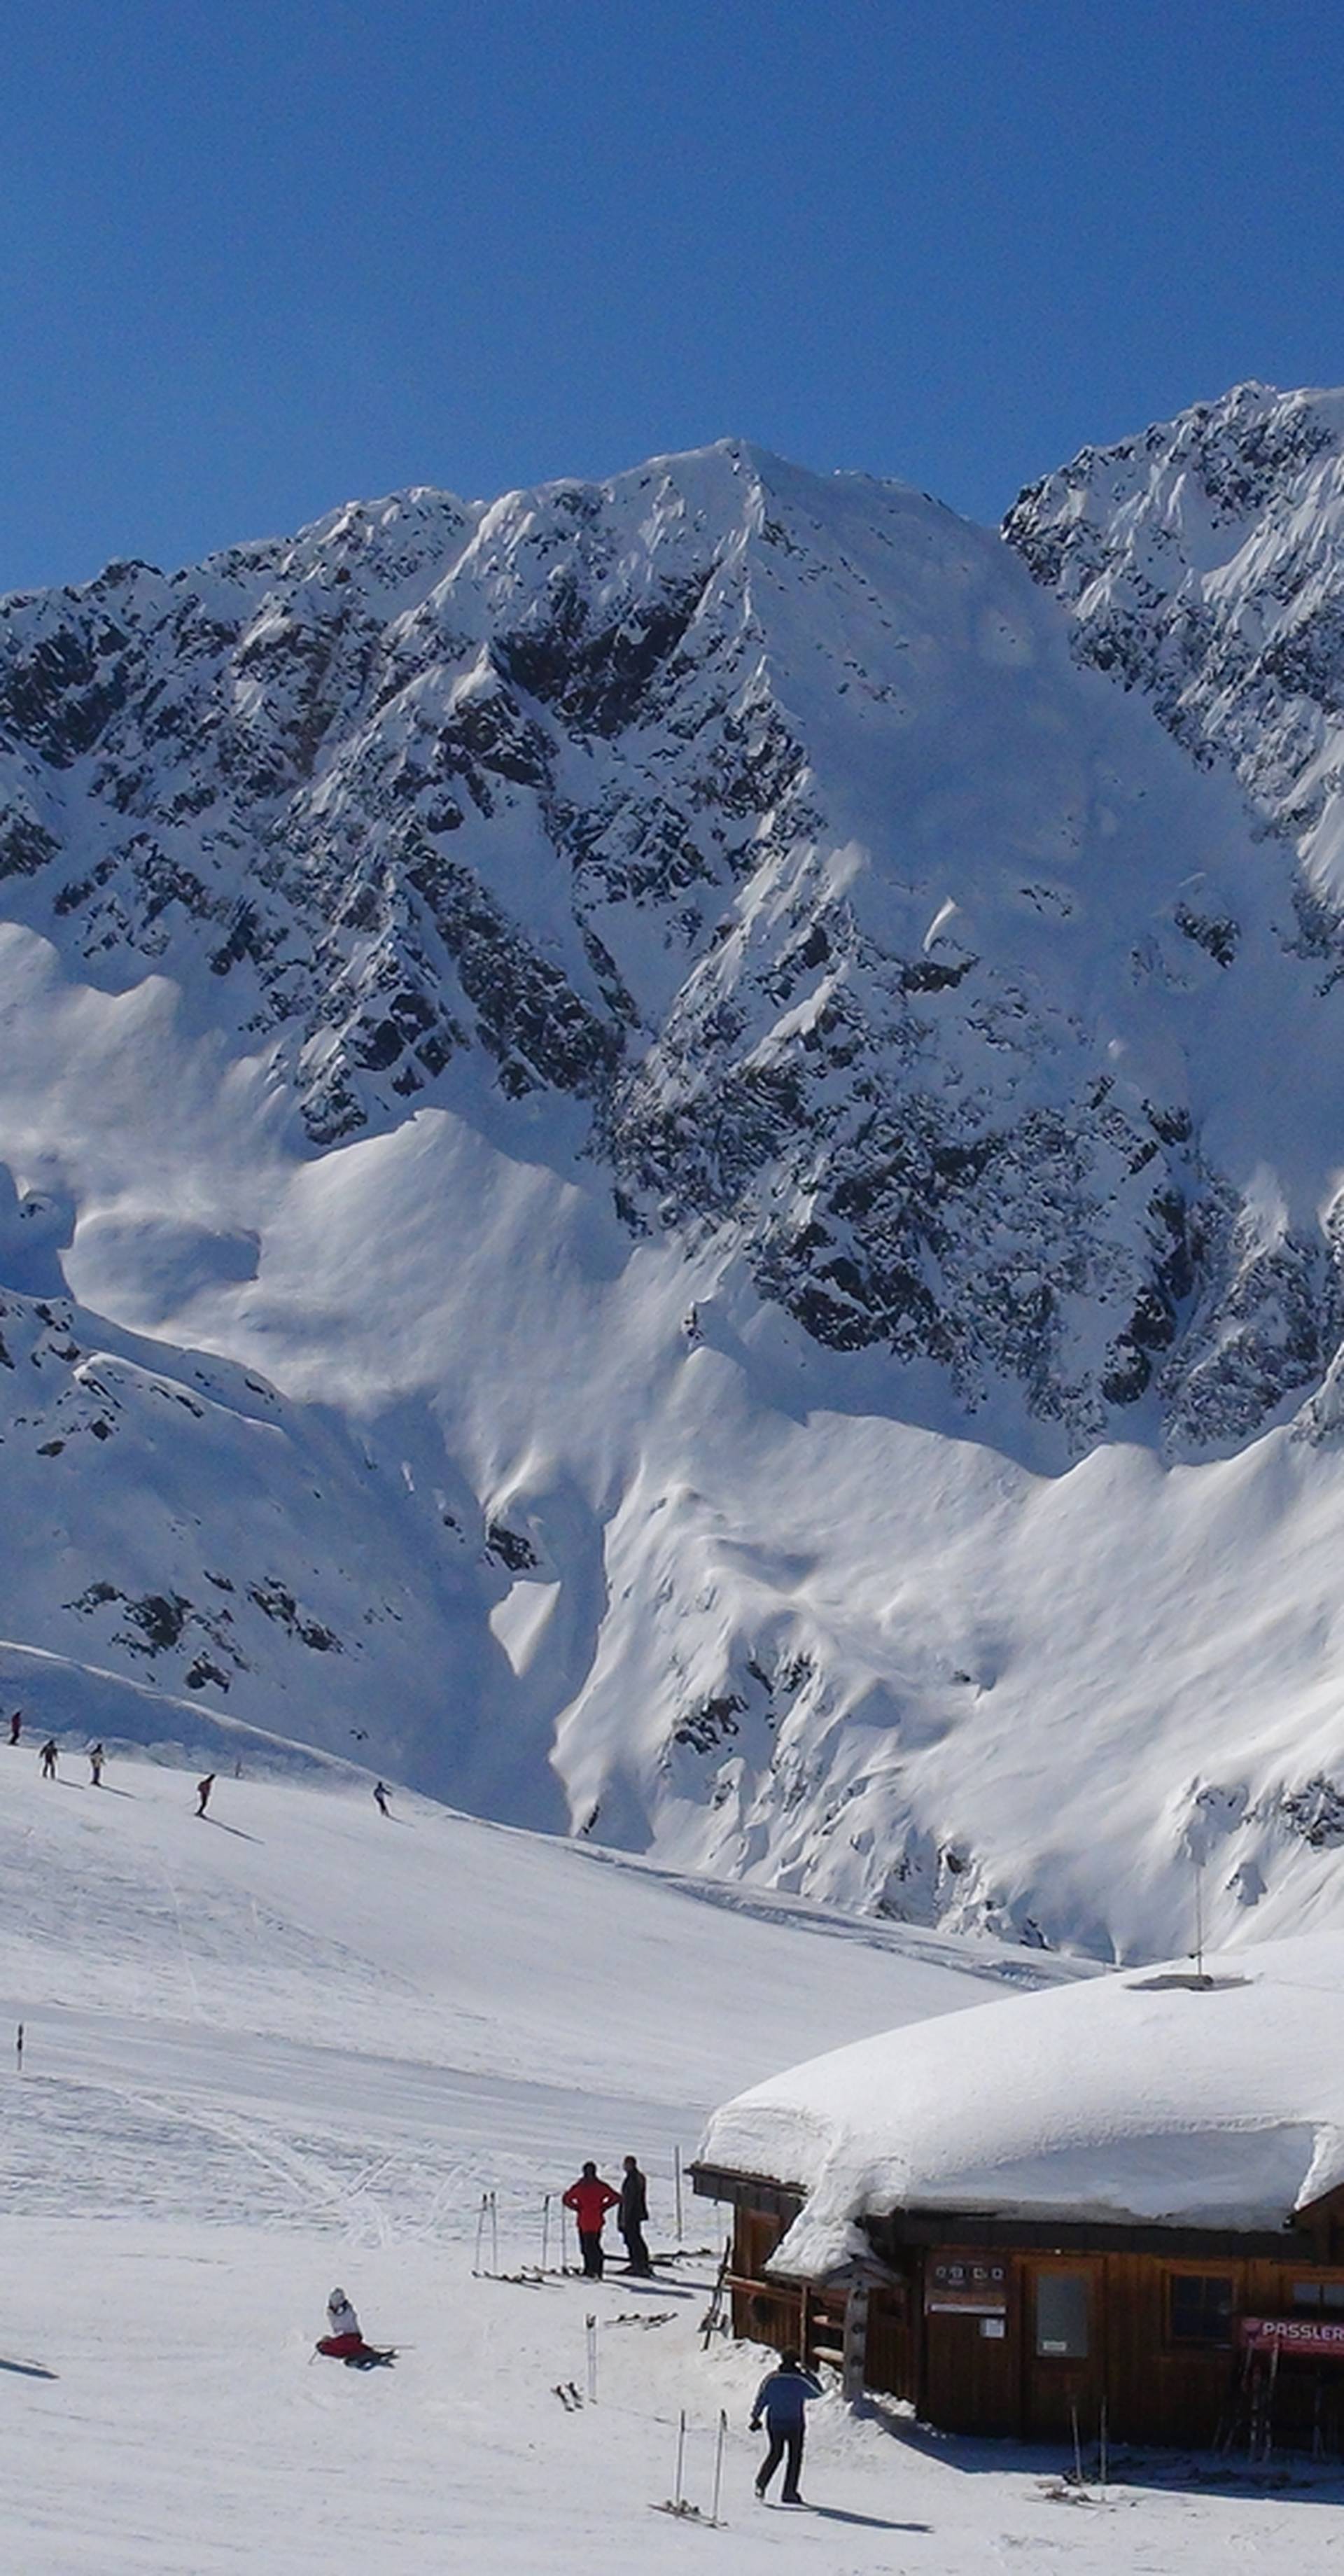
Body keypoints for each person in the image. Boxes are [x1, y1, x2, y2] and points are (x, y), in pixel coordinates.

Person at [750, 2349, 823, 2505]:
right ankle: (789, 2492)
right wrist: (808, 2373)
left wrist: (755, 2417)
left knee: (776, 2453)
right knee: (795, 2458)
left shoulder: (772, 2379)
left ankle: (761, 2484)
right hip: (795, 2423)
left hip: (774, 2422)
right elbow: (818, 2392)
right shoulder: (800, 2380)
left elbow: (762, 2398)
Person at [562, 2161, 620, 2278]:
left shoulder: (580, 2186)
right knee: (595, 2246)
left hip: (584, 2220)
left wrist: (577, 2208)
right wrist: (603, 2207)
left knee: (586, 2247)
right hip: (597, 2220)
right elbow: (616, 2197)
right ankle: (597, 2270)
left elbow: (566, 2199)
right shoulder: (600, 2186)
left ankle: (589, 2270)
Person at [316, 2286, 394, 2369]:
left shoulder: (345, 2310)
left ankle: (367, 2355)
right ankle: (368, 2355)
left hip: (349, 2337)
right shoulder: (333, 2312)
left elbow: (342, 2319)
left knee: (332, 2347)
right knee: (351, 2349)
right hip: (349, 2337)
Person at [618, 2154, 652, 2275]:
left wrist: (623, 2218)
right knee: (635, 2238)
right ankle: (640, 2263)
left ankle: (638, 2264)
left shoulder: (632, 2180)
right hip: (636, 2213)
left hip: (632, 2214)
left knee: (633, 2239)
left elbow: (629, 2201)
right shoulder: (638, 2178)